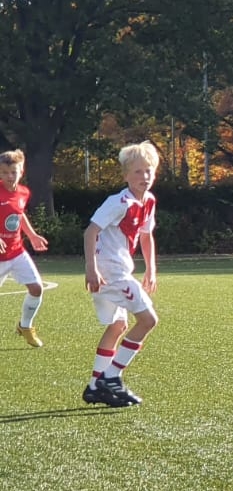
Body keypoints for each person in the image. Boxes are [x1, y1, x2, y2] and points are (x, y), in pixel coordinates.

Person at [82, 141, 162, 408]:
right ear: (126, 175)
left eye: (148, 170)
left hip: (118, 270)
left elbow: (146, 236)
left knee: (118, 326)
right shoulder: (119, 202)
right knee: (148, 320)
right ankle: (111, 377)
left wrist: (151, 269)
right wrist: (91, 268)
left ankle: (95, 387)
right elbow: (90, 232)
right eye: (137, 171)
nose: (144, 176)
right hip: (110, 272)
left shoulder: (148, 201)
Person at [0, 150, 49, 347]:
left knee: (36, 288)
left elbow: (19, 215)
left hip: (17, 252)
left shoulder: (23, 192)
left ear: (21, 171)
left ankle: (25, 326)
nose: (9, 176)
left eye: (13, 172)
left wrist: (32, 235)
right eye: (4, 172)